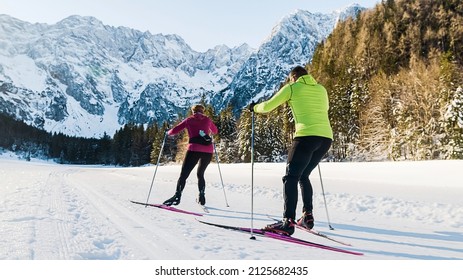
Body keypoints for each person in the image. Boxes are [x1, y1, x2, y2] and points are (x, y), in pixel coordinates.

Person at [250, 66, 333, 236]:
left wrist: (254, 108)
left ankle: (288, 222)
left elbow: (267, 107)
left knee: (290, 178)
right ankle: (307, 216)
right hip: (325, 139)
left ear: (293, 77)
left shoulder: (292, 88)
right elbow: (324, 110)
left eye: (289, 79)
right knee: (303, 176)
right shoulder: (321, 89)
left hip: (305, 137)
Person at [163, 104, 218, 206]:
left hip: (194, 150)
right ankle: (202, 196)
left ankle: (177, 196)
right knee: (200, 174)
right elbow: (215, 131)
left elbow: (175, 130)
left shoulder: (189, 120)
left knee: (183, 175)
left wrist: (167, 133)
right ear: (203, 111)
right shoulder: (207, 120)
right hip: (208, 151)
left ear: (193, 111)